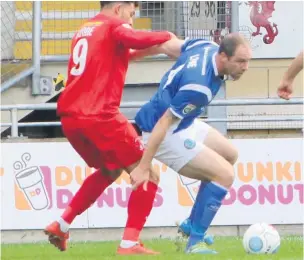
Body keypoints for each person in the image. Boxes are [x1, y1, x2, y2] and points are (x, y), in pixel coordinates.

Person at [44, 1, 174, 255]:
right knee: (147, 172)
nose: (131, 20)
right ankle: (129, 243)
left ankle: (61, 224)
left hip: (71, 119)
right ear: (118, 9)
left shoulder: (86, 29)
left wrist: (155, 50)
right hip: (100, 116)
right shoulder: (114, 25)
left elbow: (118, 53)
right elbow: (132, 37)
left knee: (111, 169)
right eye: (131, 13)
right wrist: (166, 36)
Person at [131, 33, 252, 254]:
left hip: (182, 121)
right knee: (225, 175)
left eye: (248, 61)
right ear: (223, 57)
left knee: (230, 155)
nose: (245, 68)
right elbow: (164, 122)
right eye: (241, 62)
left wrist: (134, 55)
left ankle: (191, 223)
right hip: (160, 131)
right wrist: (143, 166)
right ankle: (195, 241)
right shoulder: (199, 88)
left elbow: (167, 45)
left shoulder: (206, 46)